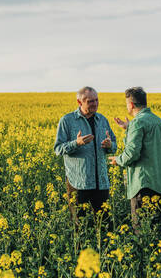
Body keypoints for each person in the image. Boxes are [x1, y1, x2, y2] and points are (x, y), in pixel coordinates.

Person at [109, 87, 161, 231]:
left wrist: (118, 160)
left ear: (131, 104)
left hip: (144, 185)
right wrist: (129, 128)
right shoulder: (158, 121)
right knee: (156, 230)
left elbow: (132, 153)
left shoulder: (138, 122)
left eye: (127, 104)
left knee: (141, 230)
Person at [54, 86, 117, 223]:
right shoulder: (67, 121)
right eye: (90, 101)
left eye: (96, 100)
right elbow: (58, 149)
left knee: (105, 224)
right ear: (79, 102)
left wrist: (110, 145)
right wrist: (76, 143)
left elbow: (114, 145)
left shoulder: (102, 120)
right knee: (79, 225)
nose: (95, 104)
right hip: (78, 182)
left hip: (101, 182)